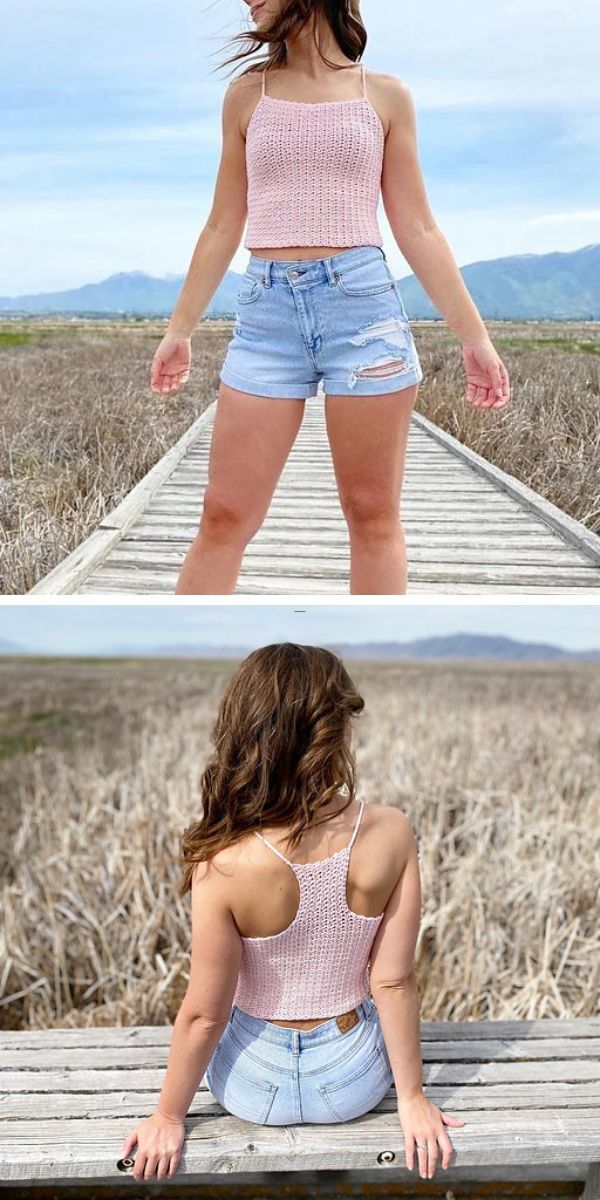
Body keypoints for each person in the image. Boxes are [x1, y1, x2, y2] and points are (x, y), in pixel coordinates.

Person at [149, 1, 511, 597]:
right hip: (265, 318)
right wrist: (179, 329)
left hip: (362, 315)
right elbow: (222, 224)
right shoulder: (247, 96)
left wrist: (475, 338)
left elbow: (417, 226)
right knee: (222, 515)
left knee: (371, 515)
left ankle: (371, 673)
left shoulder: (385, 96)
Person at [122, 643, 465, 1181]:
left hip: (250, 1083)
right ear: (335, 734)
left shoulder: (224, 860)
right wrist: (413, 1098)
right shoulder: (391, 831)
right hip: (353, 1081)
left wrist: (168, 1115)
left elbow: (204, 1014)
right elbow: (394, 981)